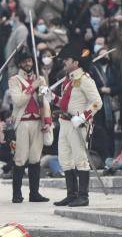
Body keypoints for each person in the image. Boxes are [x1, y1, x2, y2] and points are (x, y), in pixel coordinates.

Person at [53, 43, 102, 208]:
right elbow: (64, 103)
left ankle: (83, 196)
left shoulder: (85, 79)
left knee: (80, 159)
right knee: (65, 159)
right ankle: (71, 194)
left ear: (76, 62)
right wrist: (49, 97)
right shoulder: (67, 80)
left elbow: (97, 103)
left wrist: (83, 117)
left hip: (78, 124)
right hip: (65, 123)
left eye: (67, 59)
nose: (64, 62)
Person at [8, 48, 51, 204]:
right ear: (20, 63)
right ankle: (17, 194)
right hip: (23, 122)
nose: (28, 63)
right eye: (25, 61)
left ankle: (34, 193)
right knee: (20, 158)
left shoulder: (40, 78)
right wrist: (33, 86)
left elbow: (46, 101)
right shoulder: (14, 80)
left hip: (37, 121)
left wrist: (47, 120)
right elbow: (18, 100)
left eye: (30, 61)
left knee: (35, 158)